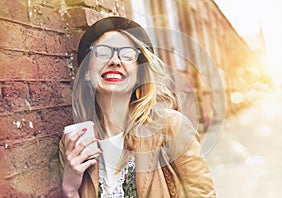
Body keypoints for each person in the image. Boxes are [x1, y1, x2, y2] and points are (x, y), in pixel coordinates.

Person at [59, 16, 216, 198]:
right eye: (102, 52)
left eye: (127, 55)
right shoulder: (73, 142)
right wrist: (69, 189)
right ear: (86, 72)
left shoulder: (171, 126)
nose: (115, 61)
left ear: (140, 75)